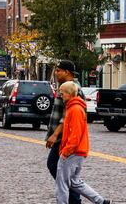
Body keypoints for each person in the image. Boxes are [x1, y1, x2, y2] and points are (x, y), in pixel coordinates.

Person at [55, 81, 110, 204]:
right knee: (75, 182)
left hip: (72, 152)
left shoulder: (74, 109)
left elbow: (75, 134)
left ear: (69, 94)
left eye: (62, 93)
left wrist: (65, 152)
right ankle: (101, 201)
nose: (60, 95)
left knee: (62, 183)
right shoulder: (76, 107)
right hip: (78, 152)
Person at [46, 60, 85, 204]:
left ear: (67, 72)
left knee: (55, 166)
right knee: (56, 167)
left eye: (58, 71)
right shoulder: (64, 87)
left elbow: (68, 115)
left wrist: (55, 134)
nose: (56, 73)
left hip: (66, 138)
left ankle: (74, 199)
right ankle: (73, 198)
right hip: (61, 137)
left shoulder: (74, 89)